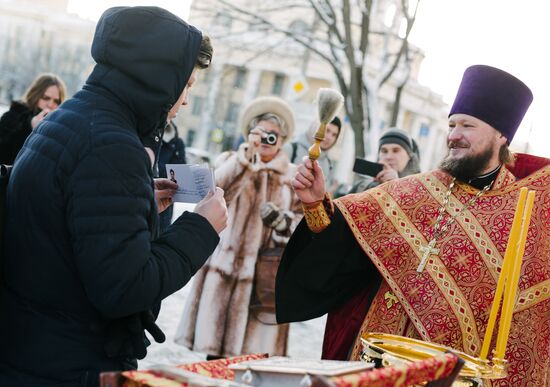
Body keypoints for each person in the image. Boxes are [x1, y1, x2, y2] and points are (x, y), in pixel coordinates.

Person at [276, 65, 549, 386]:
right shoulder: (418, 191)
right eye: (451, 124)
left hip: (458, 367)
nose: (453, 135)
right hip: (382, 353)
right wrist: (315, 201)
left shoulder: (530, 204)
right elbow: (346, 242)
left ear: (501, 134)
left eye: (467, 126)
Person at [0, 6, 228, 386]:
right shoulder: (111, 147)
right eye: (185, 86)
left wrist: (137, 203)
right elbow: (125, 288)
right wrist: (202, 229)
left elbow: (69, 219)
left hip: (33, 346)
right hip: (67, 364)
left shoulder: (71, 117)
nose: (185, 100)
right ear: (157, 79)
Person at [176, 96, 302, 358]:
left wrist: (283, 222)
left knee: (251, 365)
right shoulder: (232, 161)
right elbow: (214, 192)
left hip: (265, 282)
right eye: (262, 133)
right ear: (250, 134)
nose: (268, 139)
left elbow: (306, 226)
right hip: (224, 274)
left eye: (274, 135)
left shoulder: (293, 176)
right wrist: (246, 159)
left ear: (284, 139)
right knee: (214, 363)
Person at [0, 73, 66, 164]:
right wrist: (29, 128)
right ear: (35, 95)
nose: (50, 105)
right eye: (46, 98)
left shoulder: (61, 128)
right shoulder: (12, 117)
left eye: (56, 101)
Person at [349, 128, 420, 193]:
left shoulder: (419, 192)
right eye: (384, 151)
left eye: (396, 151)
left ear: (409, 156)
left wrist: (396, 187)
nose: (389, 157)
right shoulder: (361, 187)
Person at [284, 116, 342, 192]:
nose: (329, 137)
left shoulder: (329, 164)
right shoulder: (291, 149)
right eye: (327, 130)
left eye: (334, 135)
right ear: (316, 127)